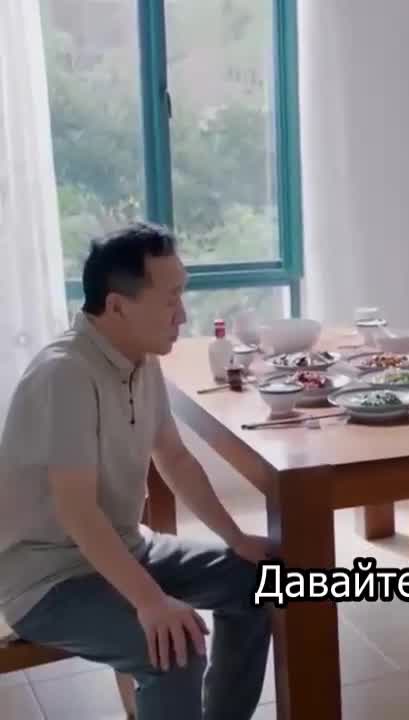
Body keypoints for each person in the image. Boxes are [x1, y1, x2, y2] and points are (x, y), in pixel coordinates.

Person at [0, 223, 274, 719]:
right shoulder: (65, 373)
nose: (183, 314)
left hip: (127, 547)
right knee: (174, 650)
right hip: (47, 580)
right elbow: (78, 512)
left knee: (260, 581)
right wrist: (151, 602)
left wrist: (235, 539)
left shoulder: (141, 359)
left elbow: (174, 458)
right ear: (118, 306)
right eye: (170, 300)